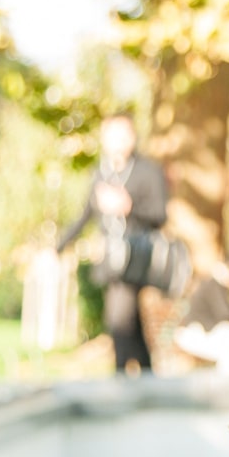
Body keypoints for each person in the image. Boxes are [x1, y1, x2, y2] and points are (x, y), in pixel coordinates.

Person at [57, 112, 170, 376]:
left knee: (119, 320)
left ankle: (120, 379)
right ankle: (147, 378)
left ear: (132, 136)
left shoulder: (148, 171)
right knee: (131, 324)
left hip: (137, 258)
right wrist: (58, 248)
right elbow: (85, 215)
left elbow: (160, 215)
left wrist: (128, 208)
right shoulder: (100, 173)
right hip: (111, 258)